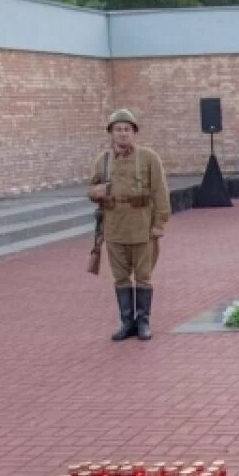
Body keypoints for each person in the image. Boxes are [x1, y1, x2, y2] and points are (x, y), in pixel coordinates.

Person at [87, 109, 170, 341]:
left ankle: (143, 322)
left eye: (127, 129)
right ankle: (126, 322)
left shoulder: (148, 157)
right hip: (114, 227)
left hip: (142, 226)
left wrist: (160, 223)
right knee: (121, 278)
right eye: (118, 129)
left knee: (143, 277)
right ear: (111, 133)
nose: (122, 134)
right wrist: (96, 192)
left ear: (134, 132)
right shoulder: (102, 161)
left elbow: (160, 192)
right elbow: (90, 190)